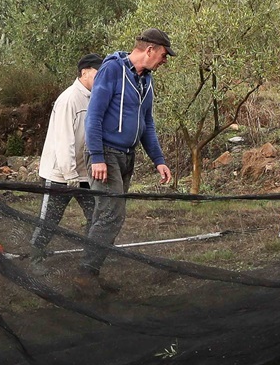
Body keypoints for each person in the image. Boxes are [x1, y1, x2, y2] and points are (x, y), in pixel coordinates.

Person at [82, 28, 176, 277]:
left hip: (126, 156)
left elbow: (148, 123)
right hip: (105, 153)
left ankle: (89, 273)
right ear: (150, 50)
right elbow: (94, 116)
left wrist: (159, 160)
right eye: (164, 55)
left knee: (109, 215)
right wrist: (97, 157)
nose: (165, 61)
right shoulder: (112, 69)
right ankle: (85, 274)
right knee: (111, 214)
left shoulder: (146, 80)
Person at [31, 55, 102, 261]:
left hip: (84, 173)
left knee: (96, 216)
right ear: (84, 72)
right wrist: (69, 172)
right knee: (49, 220)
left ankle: (90, 260)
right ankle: (35, 258)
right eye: (98, 73)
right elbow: (63, 140)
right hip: (59, 175)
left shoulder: (95, 98)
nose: (101, 78)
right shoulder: (69, 99)